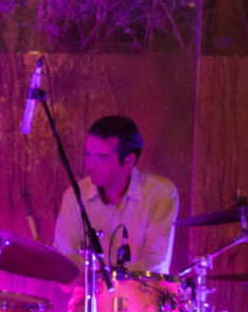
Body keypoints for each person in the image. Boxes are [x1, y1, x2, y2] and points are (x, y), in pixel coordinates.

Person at [53, 114, 179, 277]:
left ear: (129, 160)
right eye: (88, 155)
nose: (90, 165)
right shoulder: (75, 195)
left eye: (101, 157)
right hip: (88, 292)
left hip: (139, 292)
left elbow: (155, 264)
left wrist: (109, 281)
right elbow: (64, 260)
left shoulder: (159, 193)